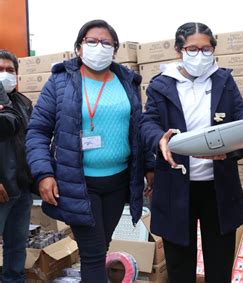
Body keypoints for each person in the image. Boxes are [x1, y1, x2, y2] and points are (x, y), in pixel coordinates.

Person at [140, 22, 243, 283]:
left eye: (206, 49)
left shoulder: (223, 80)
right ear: (179, 50)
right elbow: (147, 122)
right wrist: (159, 139)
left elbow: (238, 113)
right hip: (176, 186)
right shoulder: (161, 85)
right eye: (192, 48)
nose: (200, 55)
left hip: (217, 186)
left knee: (219, 264)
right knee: (180, 267)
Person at [26, 20, 154, 283]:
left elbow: (139, 128)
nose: (99, 47)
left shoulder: (127, 82)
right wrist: (43, 174)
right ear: (79, 47)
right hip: (79, 183)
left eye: (106, 42)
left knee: (101, 245)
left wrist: (149, 167)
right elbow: (38, 131)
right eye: (92, 41)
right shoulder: (60, 82)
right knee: (94, 253)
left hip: (118, 182)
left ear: (115, 49)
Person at [0, 49, 34, 283]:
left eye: (10, 70)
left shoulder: (23, 104)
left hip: (21, 189)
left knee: (16, 246)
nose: (5, 75)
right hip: (1, 188)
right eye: (0, 70)